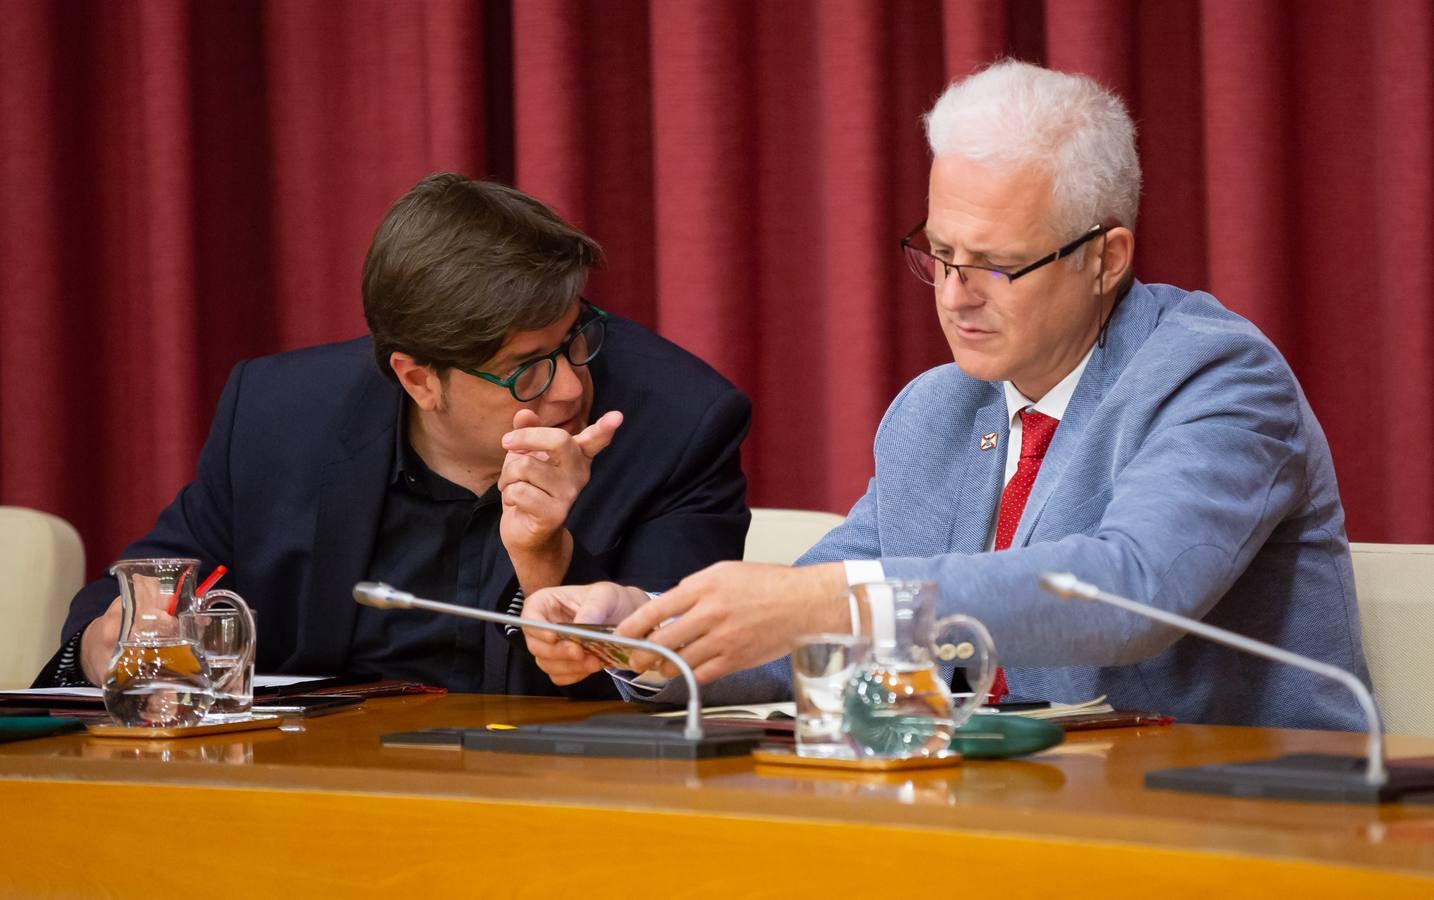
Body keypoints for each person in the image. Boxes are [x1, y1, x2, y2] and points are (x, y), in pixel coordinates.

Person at [522, 61, 1371, 729]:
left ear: (1107, 258)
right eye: (939, 254)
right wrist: (639, 632)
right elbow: (804, 634)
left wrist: (829, 600)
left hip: (1243, 818)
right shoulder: (935, 413)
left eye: (997, 264)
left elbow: (1131, 594)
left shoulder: (1216, 375)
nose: (955, 295)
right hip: (1008, 815)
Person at [34, 173, 753, 698]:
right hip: (311, 794)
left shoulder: (677, 423)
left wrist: (546, 562)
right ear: (417, 379)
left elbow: (669, 677)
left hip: (559, 809)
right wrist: (113, 643)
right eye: (524, 370)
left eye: (575, 338)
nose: (568, 386)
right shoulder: (281, 416)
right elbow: (149, 587)